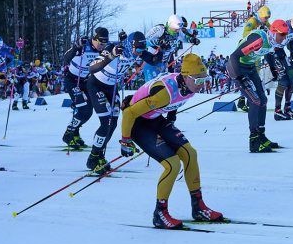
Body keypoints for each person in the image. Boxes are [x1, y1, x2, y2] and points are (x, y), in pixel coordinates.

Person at [119, 53, 222, 229]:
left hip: (156, 118)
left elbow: (176, 101)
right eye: (198, 80)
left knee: (190, 154)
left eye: (204, 79)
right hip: (138, 124)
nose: (202, 84)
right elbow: (129, 112)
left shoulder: (188, 85)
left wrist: (171, 116)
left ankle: (198, 207)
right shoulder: (163, 94)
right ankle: (160, 213)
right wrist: (126, 141)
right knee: (172, 164)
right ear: (185, 76)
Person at [83, 31, 163, 175]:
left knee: (113, 123)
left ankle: (99, 155)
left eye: (141, 50)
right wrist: (111, 55)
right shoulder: (114, 47)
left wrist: (163, 49)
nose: (139, 53)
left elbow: (154, 61)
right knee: (105, 122)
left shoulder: (138, 51)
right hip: (96, 84)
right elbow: (92, 68)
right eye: (137, 49)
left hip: (112, 87)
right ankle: (93, 157)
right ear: (130, 45)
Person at [226, 19, 289, 153]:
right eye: (282, 35)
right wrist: (239, 76)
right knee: (255, 101)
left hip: (250, 68)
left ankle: (261, 135)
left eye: (285, 35)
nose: (283, 38)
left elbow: (268, 53)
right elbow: (234, 56)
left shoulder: (272, 41)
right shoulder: (259, 38)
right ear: (273, 32)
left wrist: (273, 69)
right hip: (237, 68)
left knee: (263, 100)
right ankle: (253, 140)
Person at [61, 27, 108, 150]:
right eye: (101, 43)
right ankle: (68, 134)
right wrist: (76, 47)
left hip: (86, 82)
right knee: (83, 111)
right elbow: (66, 59)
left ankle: (75, 132)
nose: (103, 46)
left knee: (89, 112)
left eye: (105, 43)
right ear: (94, 39)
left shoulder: (103, 51)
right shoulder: (84, 45)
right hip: (72, 80)